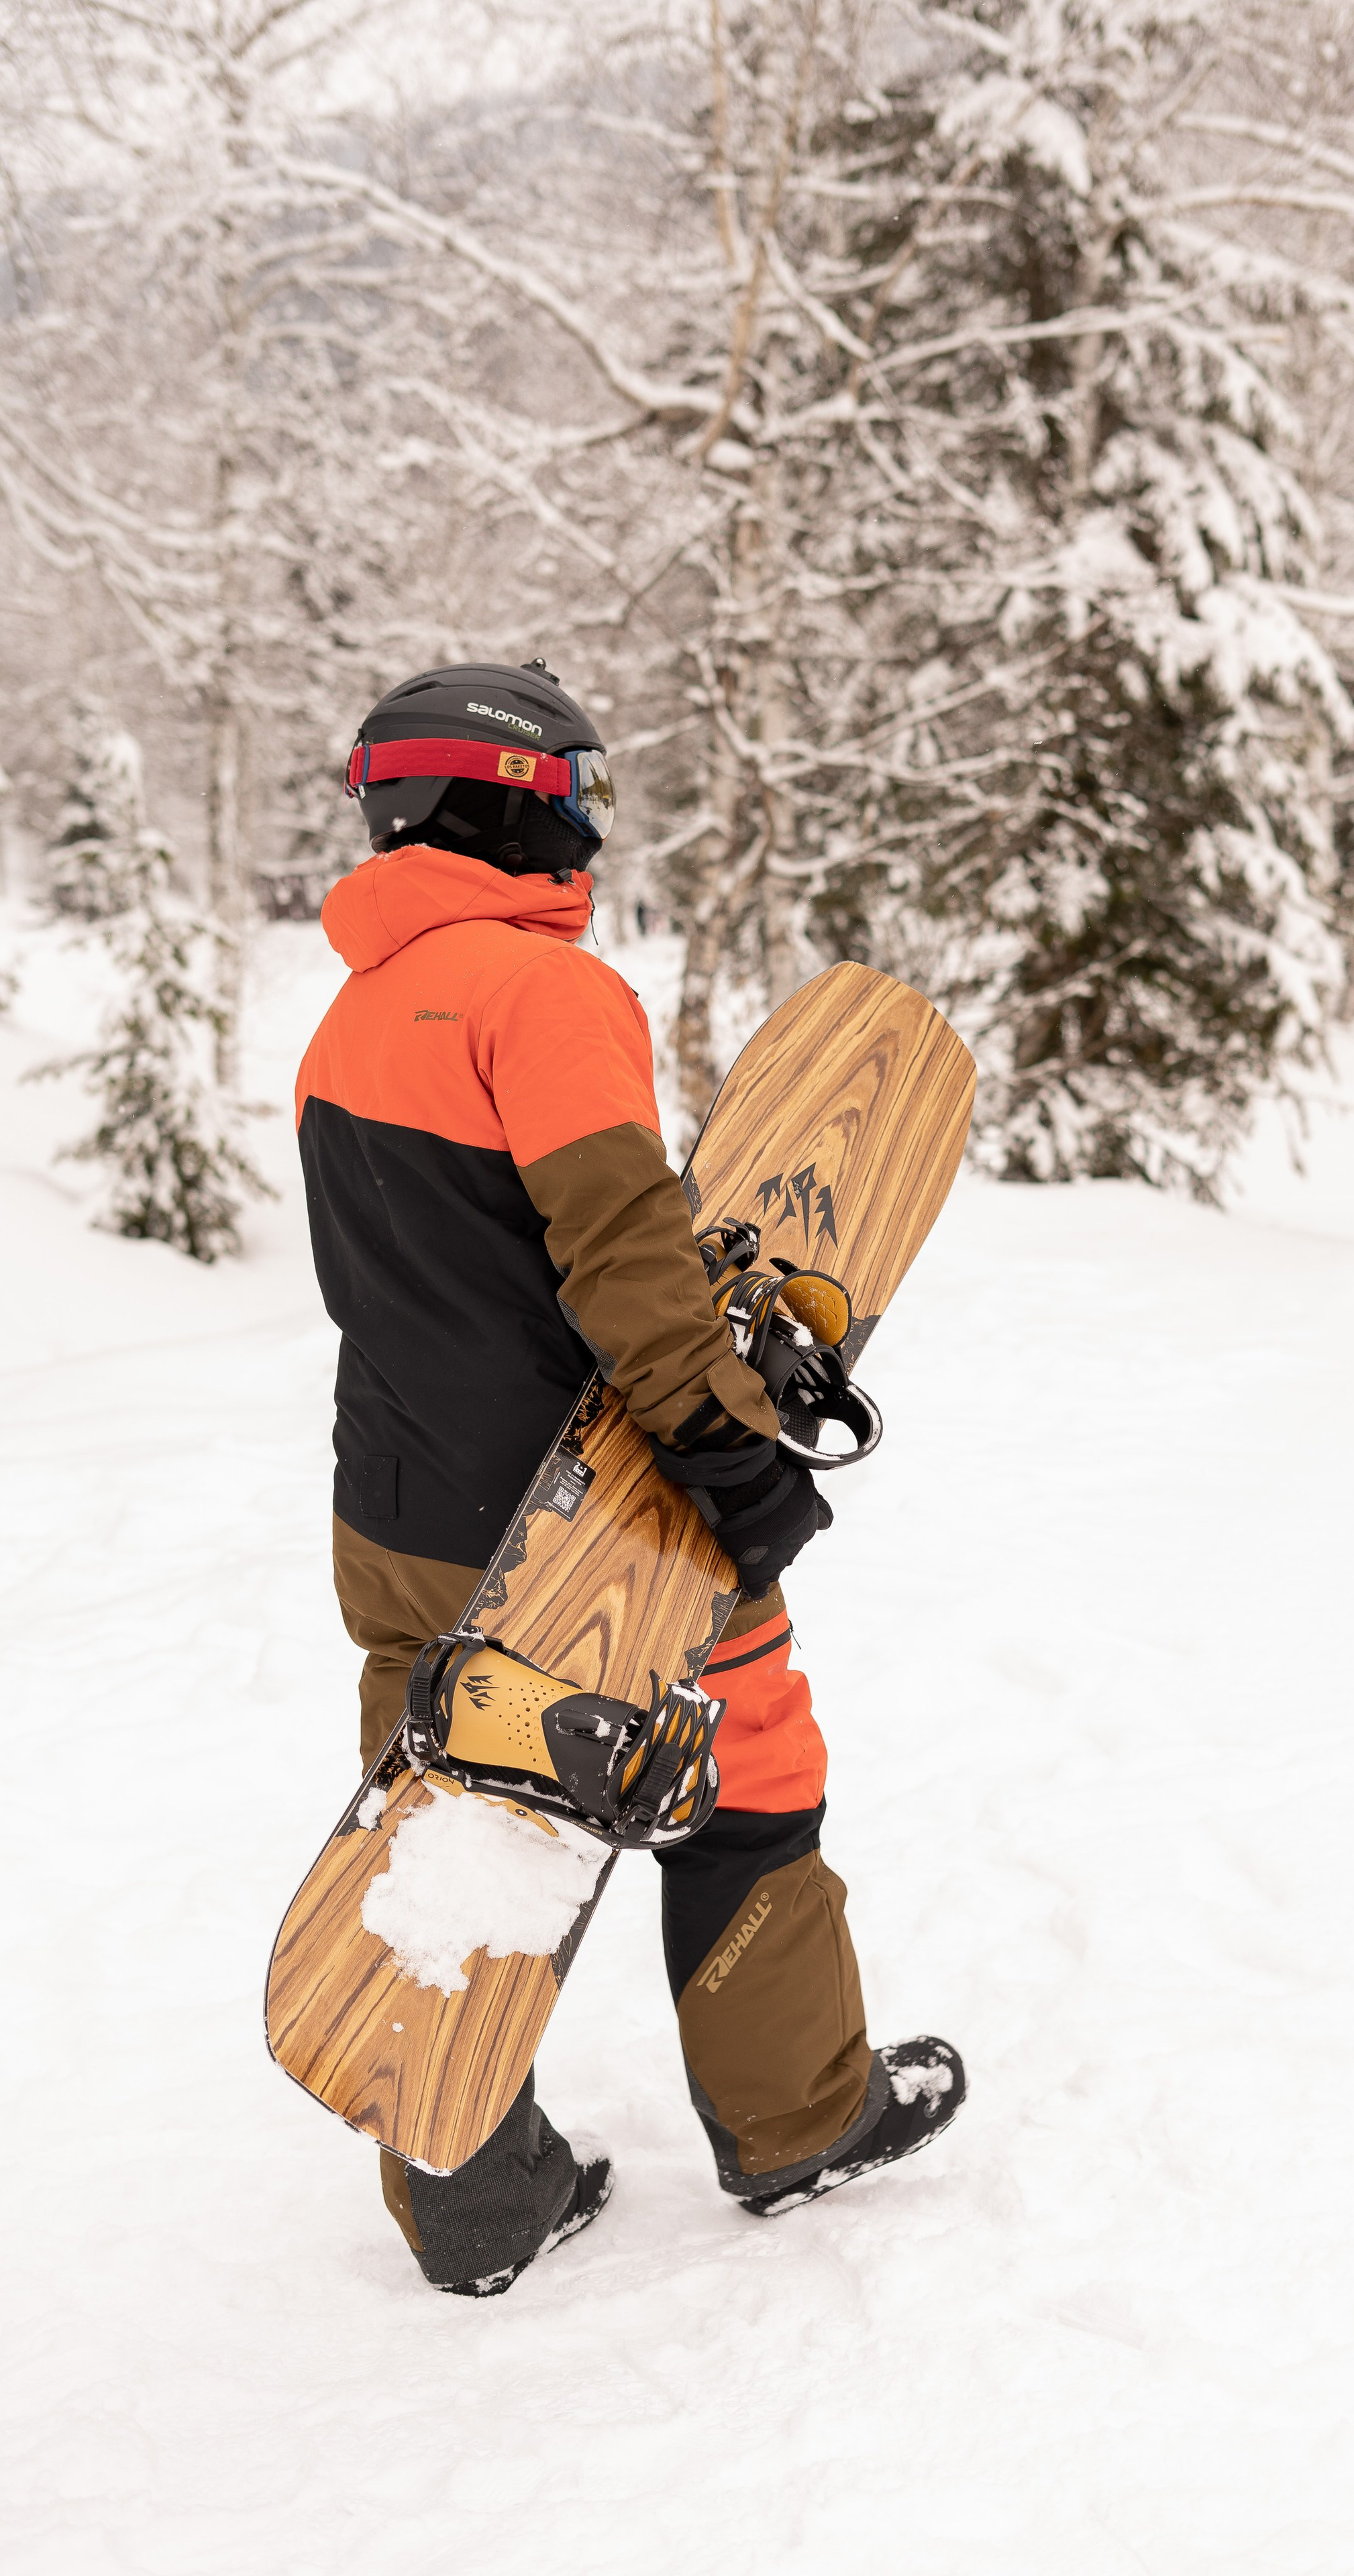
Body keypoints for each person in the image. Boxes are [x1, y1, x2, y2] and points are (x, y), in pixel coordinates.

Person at [295, 659, 964, 2296]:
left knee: (450, 1824)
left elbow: (430, 1277)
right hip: (591, 1522)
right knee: (750, 1776)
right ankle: (799, 2119)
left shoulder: (353, 1009)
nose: (589, 819)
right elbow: (626, 1269)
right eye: (574, 787)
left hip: (393, 1511)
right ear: (505, 797)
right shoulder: (545, 996)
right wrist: (730, 1462)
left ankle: (473, 2200)